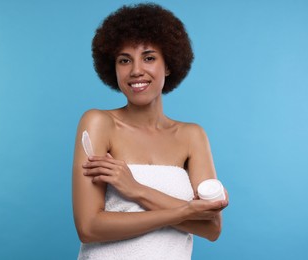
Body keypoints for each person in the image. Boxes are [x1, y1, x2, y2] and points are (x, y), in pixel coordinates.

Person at [72, 3, 229, 260]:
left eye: (149, 57)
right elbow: (88, 228)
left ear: (168, 65)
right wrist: (185, 212)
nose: (136, 70)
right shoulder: (99, 123)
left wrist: (136, 189)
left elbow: (211, 228)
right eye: (125, 60)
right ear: (113, 67)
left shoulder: (192, 136)